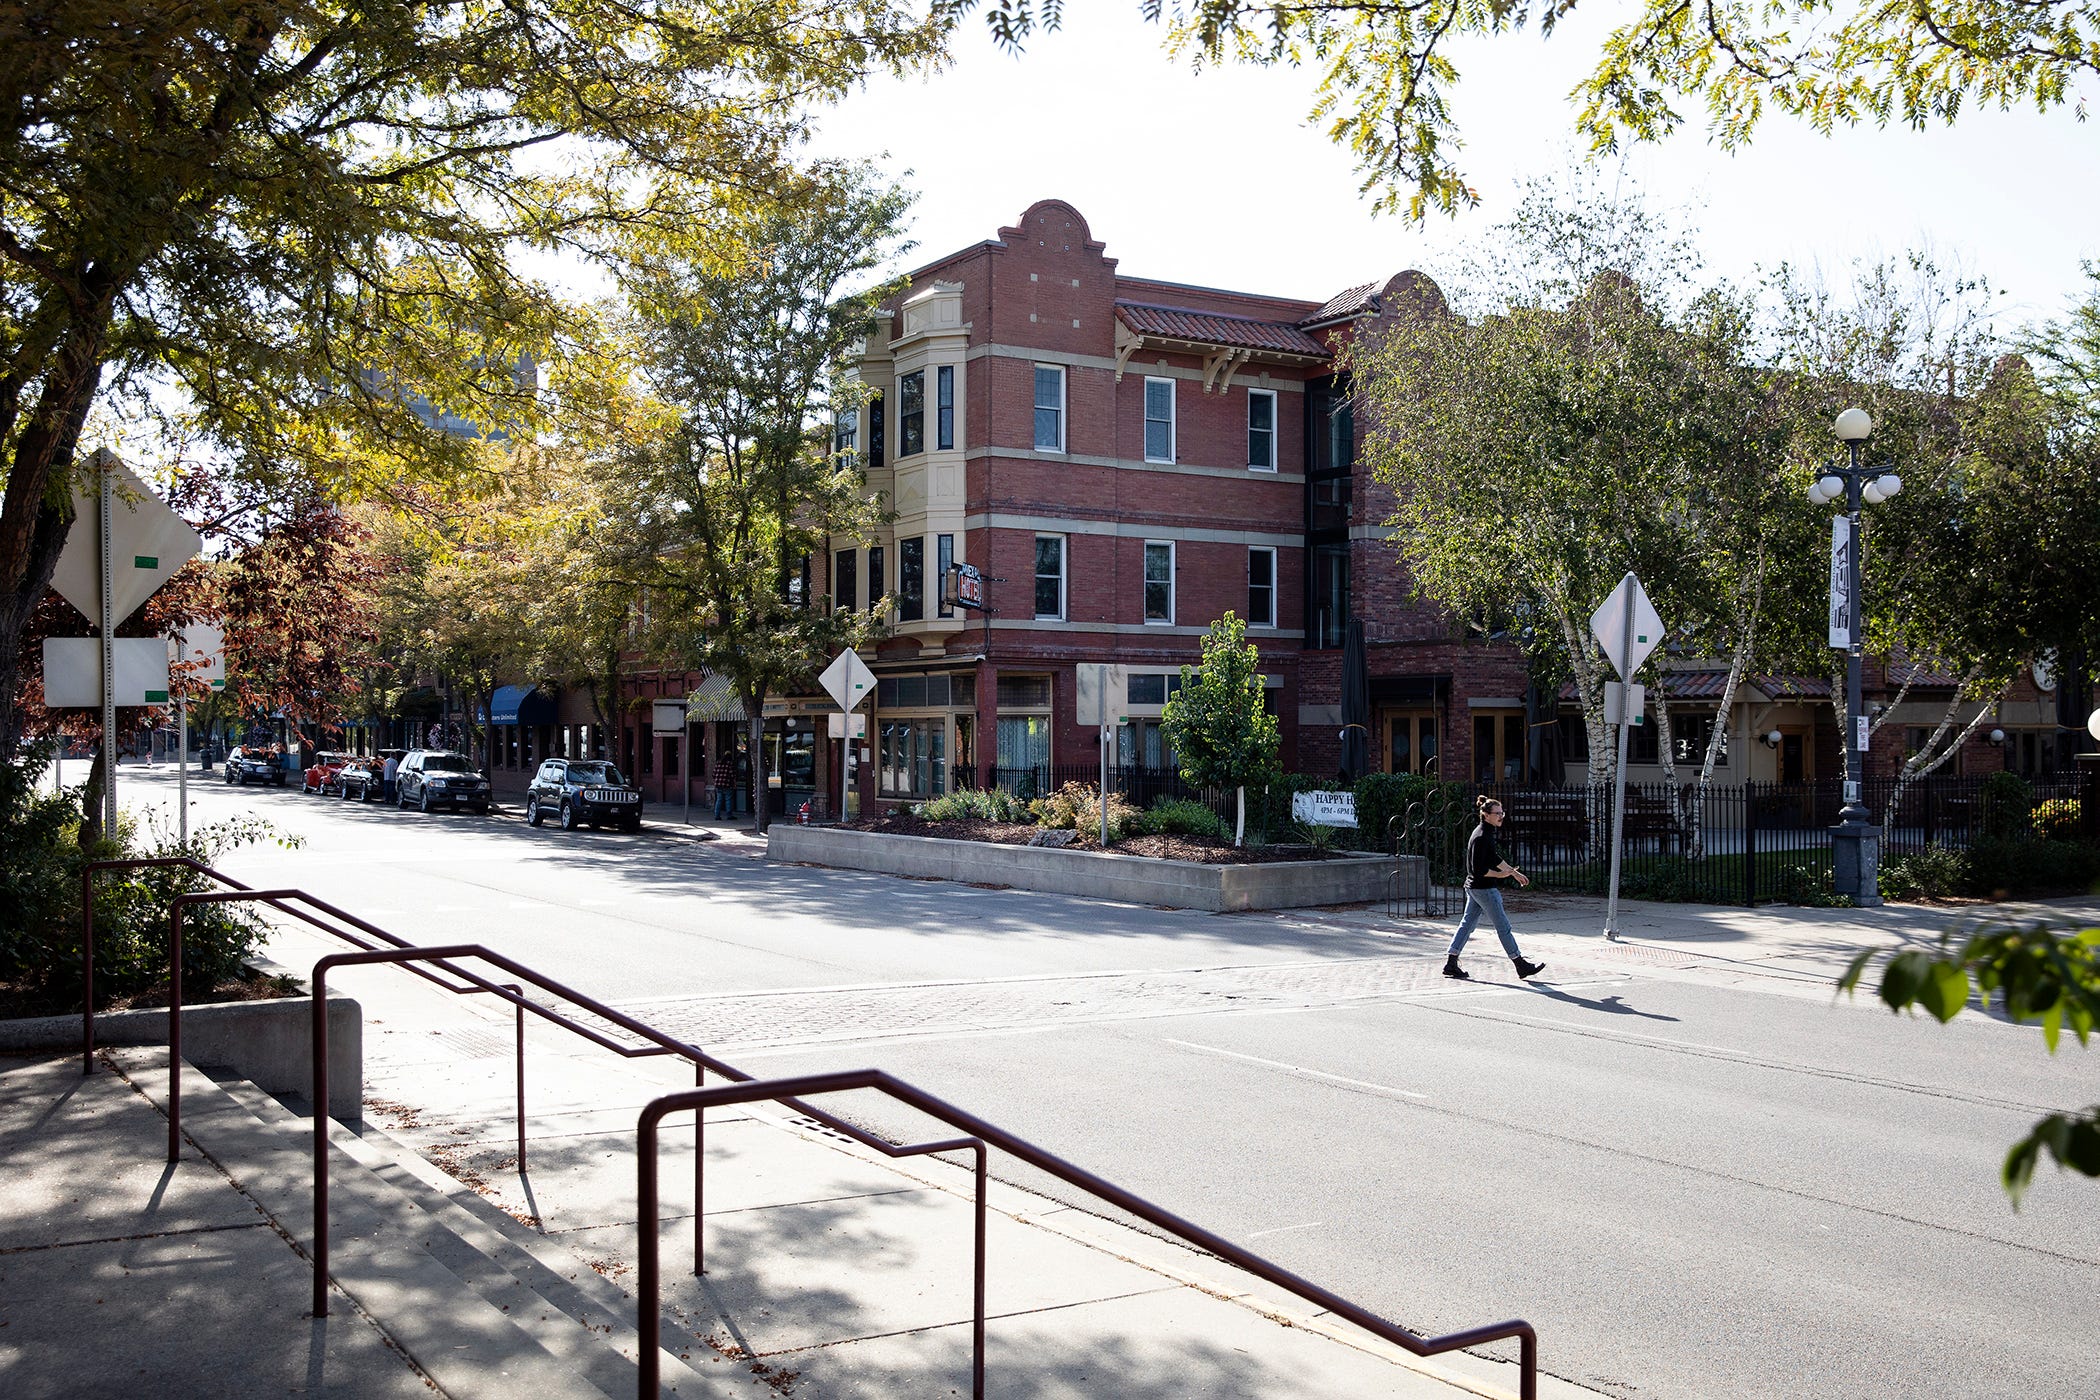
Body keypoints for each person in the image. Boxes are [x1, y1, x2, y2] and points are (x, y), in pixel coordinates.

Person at [1445, 795, 1546, 981]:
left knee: (1467, 925)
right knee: (1503, 927)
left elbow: (1494, 858)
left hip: (1475, 888)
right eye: (1497, 813)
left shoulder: (1485, 833)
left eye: (1502, 813)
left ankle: (1451, 962)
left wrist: (1514, 873)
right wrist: (1501, 875)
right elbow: (1478, 870)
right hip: (1483, 889)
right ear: (1485, 814)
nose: (1501, 816)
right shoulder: (1482, 836)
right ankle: (1520, 964)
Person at [711, 751, 736, 820]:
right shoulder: (730, 764)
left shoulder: (718, 763)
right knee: (728, 800)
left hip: (718, 785)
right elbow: (732, 775)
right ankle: (729, 815)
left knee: (719, 800)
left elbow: (713, 775)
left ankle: (717, 815)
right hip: (727, 784)